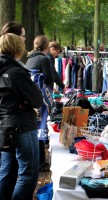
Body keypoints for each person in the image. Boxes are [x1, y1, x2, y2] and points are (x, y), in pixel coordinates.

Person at [0, 32, 43, 200]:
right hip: (21, 126)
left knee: (7, 171)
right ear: (17, 48)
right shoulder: (16, 72)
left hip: (5, 126)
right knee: (28, 174)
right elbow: (37, 99)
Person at [26, 35, 54, 172]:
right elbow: (50, 78)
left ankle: (36, 162)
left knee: (36, 128)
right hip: (40, 98)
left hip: (30, 97)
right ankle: (41, 163)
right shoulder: (43, 59)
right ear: (46, 46)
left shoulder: (30, 58)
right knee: (41, 128)